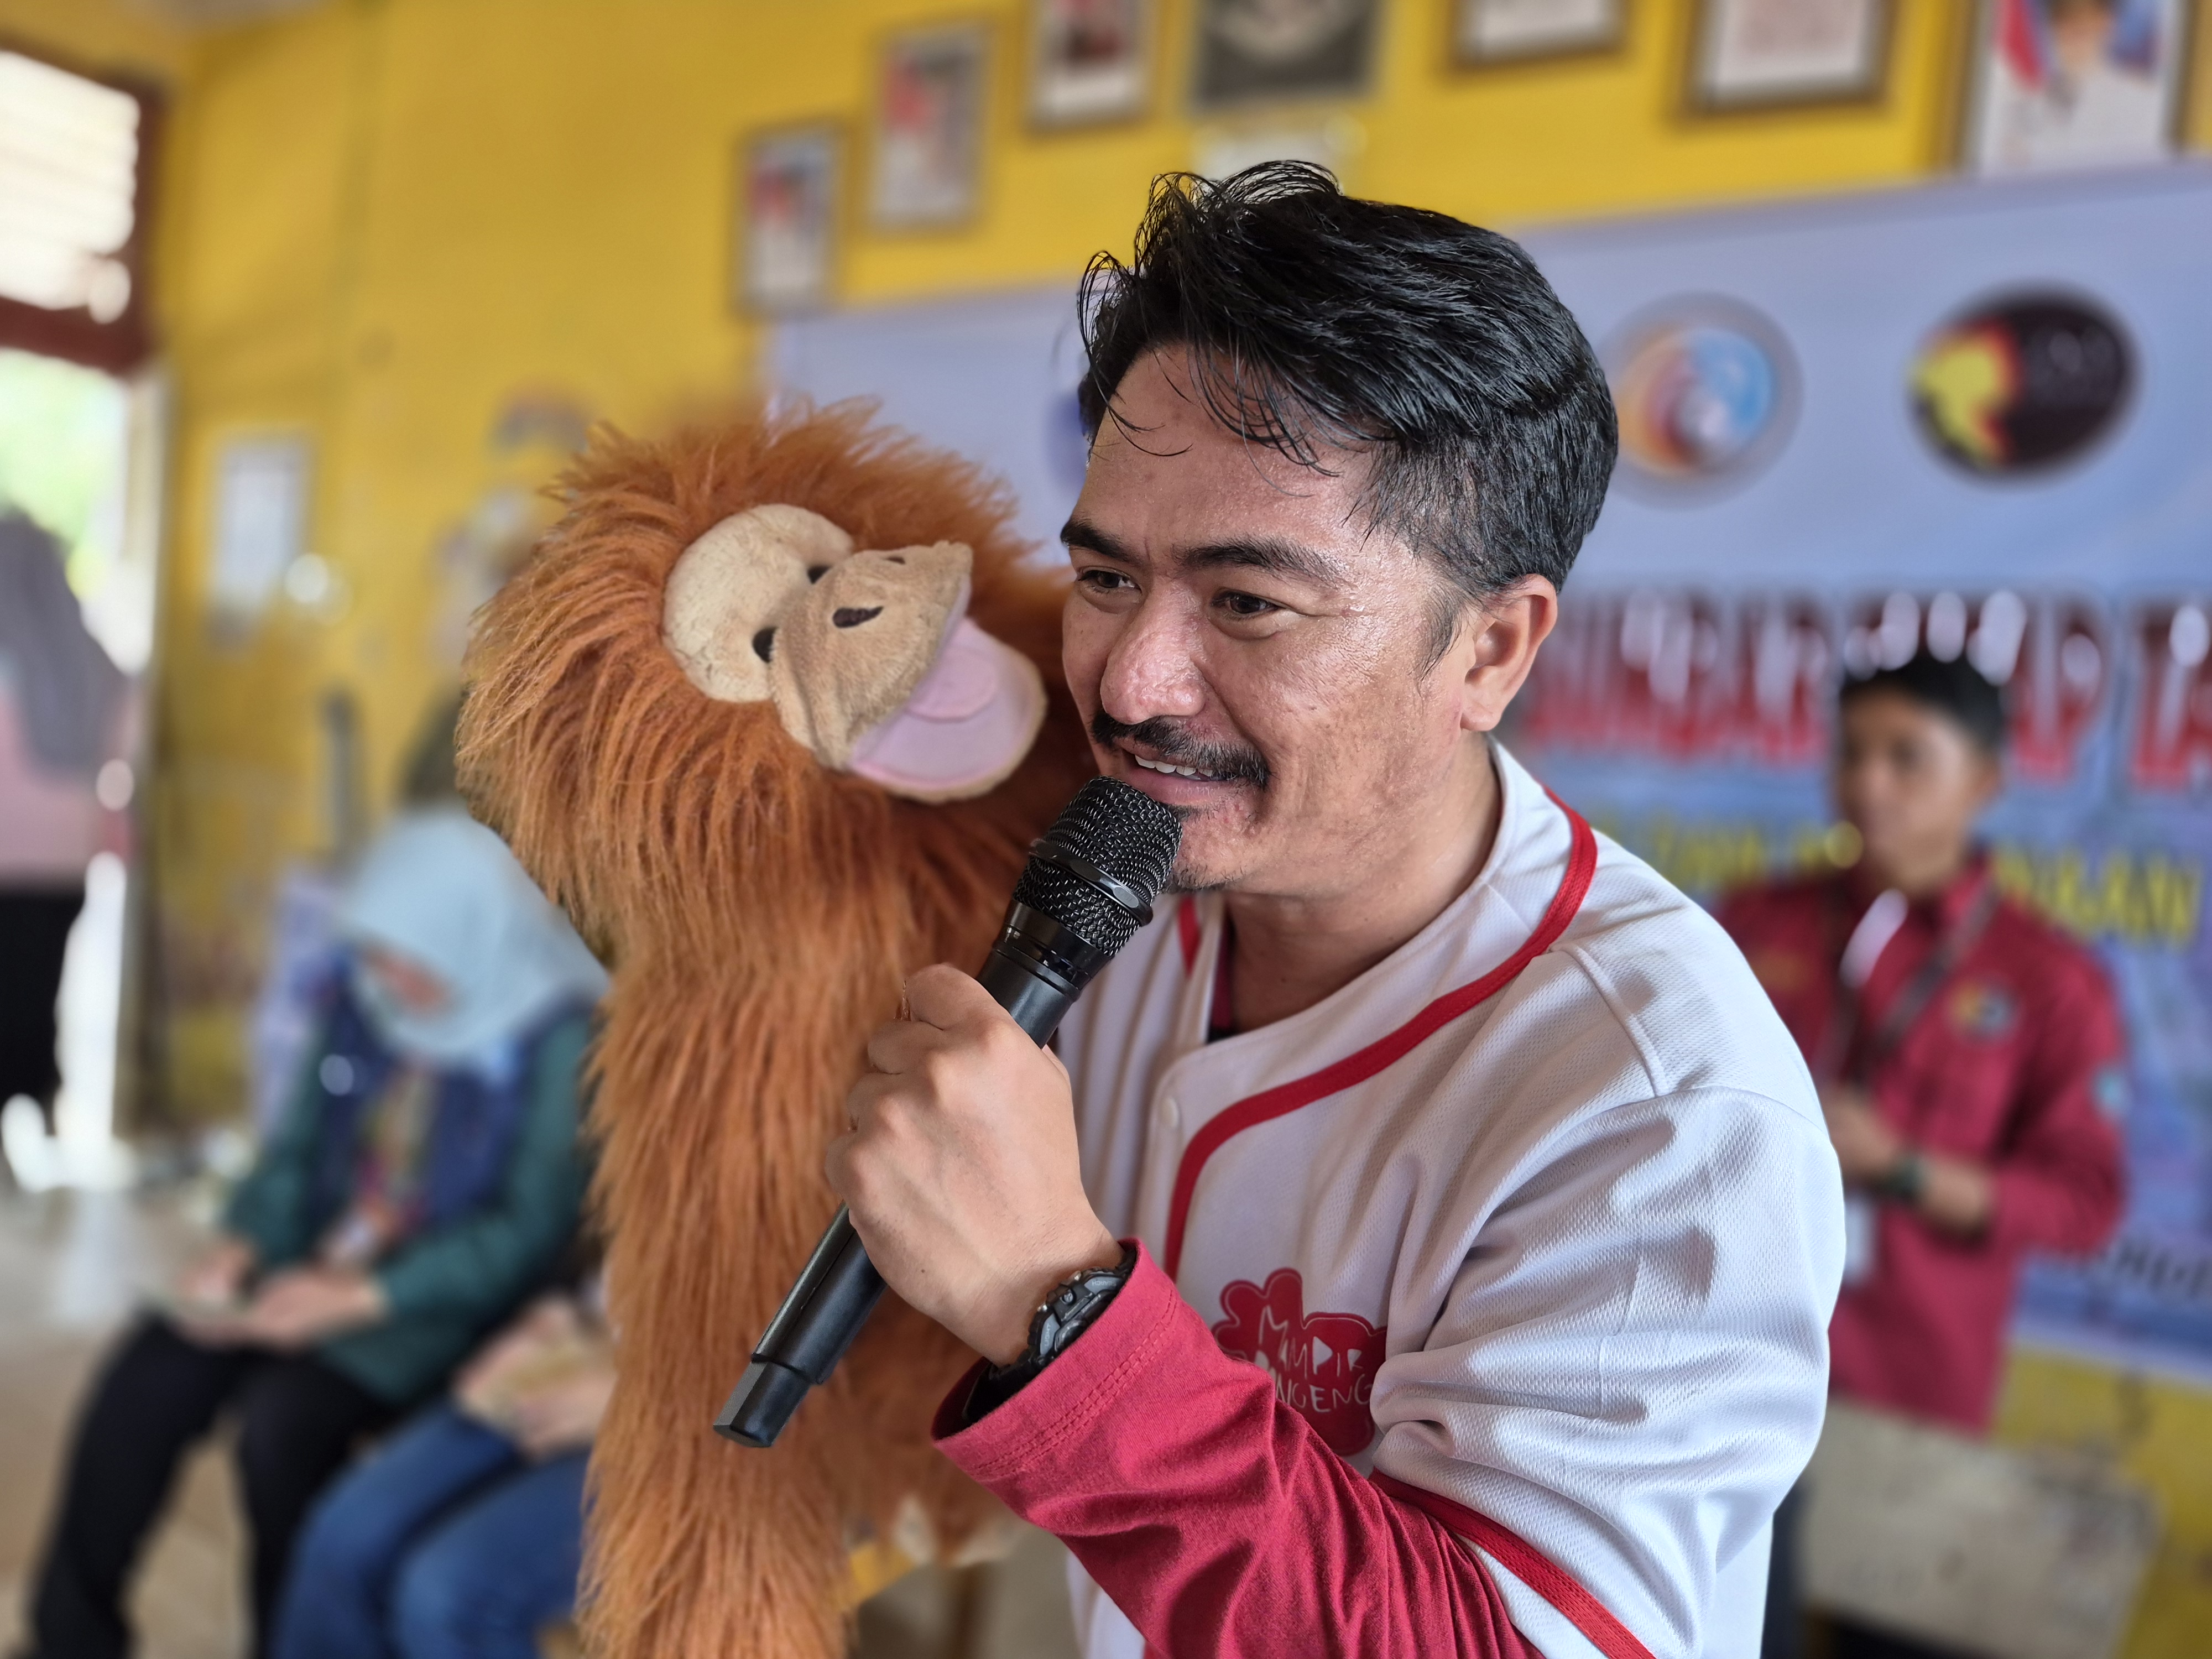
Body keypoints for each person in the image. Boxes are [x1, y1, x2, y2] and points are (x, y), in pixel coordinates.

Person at [823, 164, 1844, 1659]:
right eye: (1106, 575)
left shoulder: (1657, 1106)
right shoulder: (1112, 887)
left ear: (1490, 649)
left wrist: (1054, 1302)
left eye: (1248, 605)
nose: (1129, 681)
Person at [23, 806, 605, 1659]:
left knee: (283, 1428)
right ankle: (70, 1637)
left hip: (442, 1309)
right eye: (372, 950)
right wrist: (244, 1247)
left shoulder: (560, 1037)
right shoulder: (364, 993)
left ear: (467, 931)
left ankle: (290, 1644)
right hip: (317, 1267)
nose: (384, 978)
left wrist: (360, 1297)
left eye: (406, 955)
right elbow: (294, 1147)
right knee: (149, 1372)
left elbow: (521, 1236)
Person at [1717, 650, 2126, 1659]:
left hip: (1914, 1403)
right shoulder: (1751, 922)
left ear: (1986, 780)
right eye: (1852, 753)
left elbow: (2085, 1202)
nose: (1867, 785)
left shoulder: (2048, 979)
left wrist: (1905, 1169)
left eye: (1908, 758)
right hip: (1737, 1375)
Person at [272, 1262, 612, 1659]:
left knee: (450, 1596)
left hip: (685, 1437)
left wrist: (653, 1409)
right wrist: (551, 1312)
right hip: (589, 1345)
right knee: (345, 1533)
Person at [0, 513, 127, 1142]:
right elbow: (129, 735)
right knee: (39, 982)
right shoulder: (81, 649)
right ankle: (40, 1090)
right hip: (64, 863)